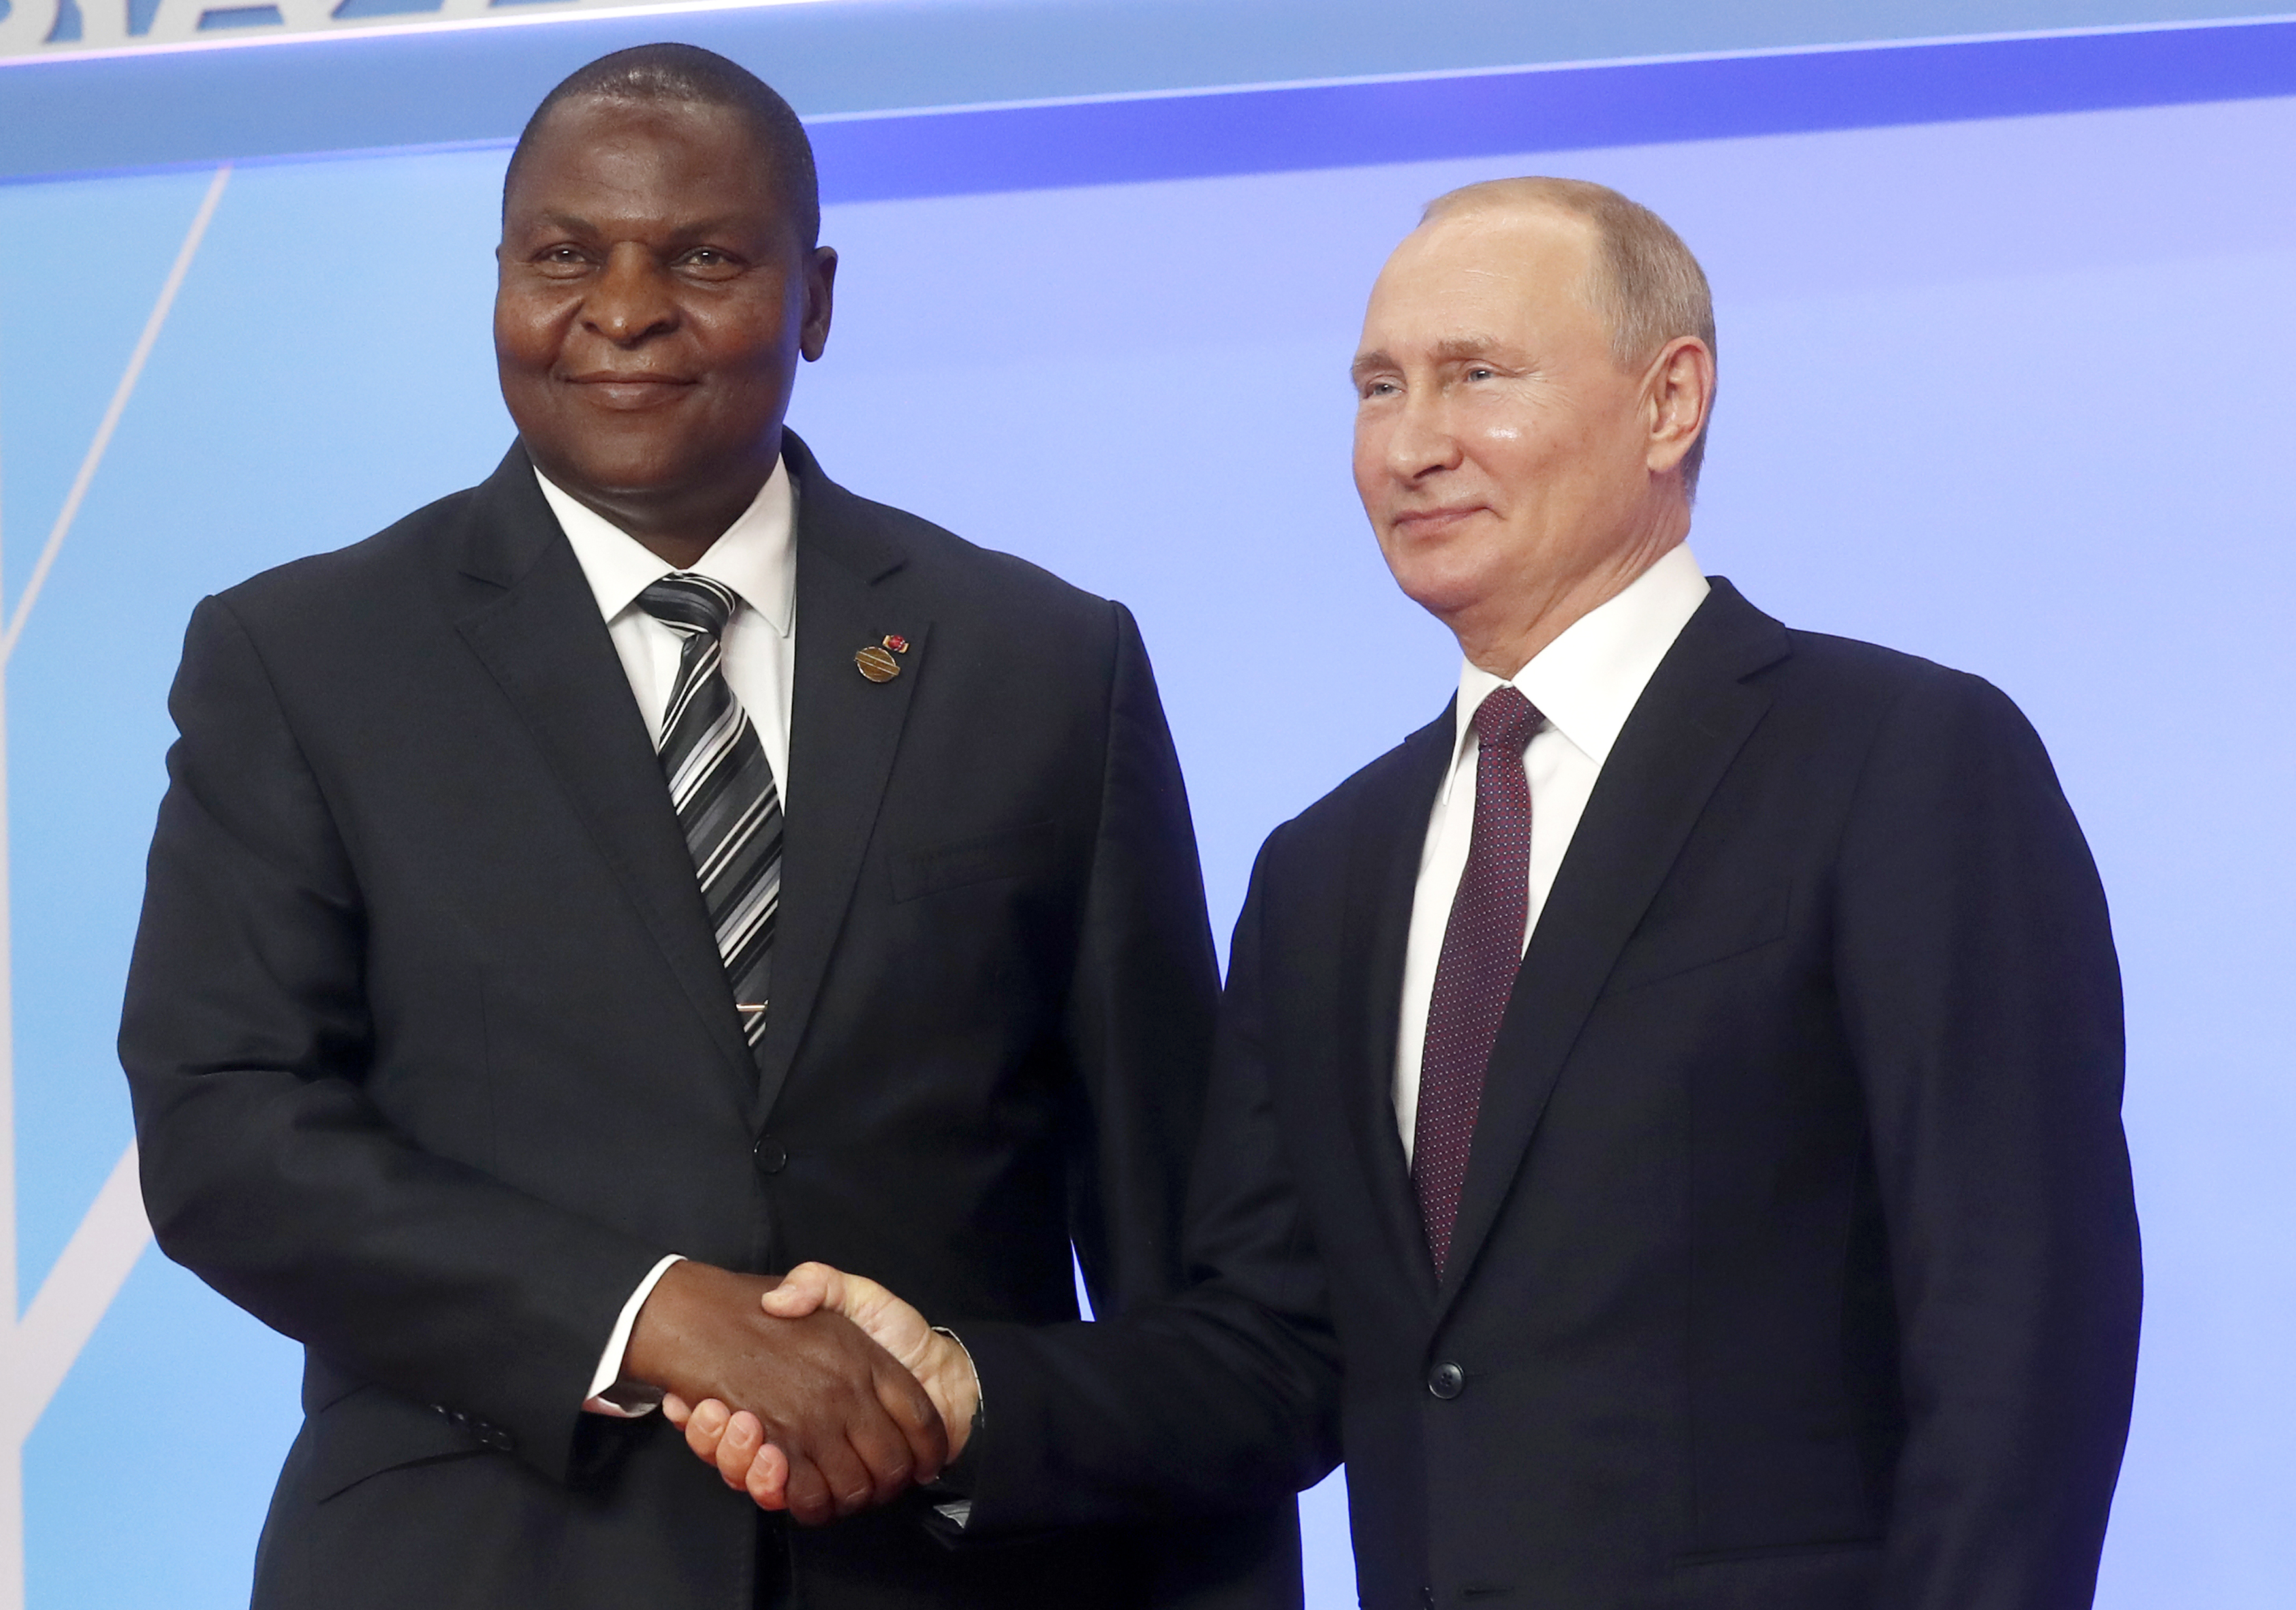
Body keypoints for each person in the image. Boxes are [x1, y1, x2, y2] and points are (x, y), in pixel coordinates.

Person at [684, 177, 2144, 1609]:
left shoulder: (1898, 760)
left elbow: (2020, 1323)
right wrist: (960, 1387)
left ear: (1670, 399)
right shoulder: (1328, 869)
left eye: (1477, 375)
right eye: (1377, 388)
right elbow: (1275, 1353)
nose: (1412, 444)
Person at [118, 42, 1301, 1610]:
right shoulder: (305, 656)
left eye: (701, 257)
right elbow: (227, 1133)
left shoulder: (1041, 663)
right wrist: (654, 1309)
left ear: (813, 298)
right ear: (498, 280)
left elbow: (1190, 1285)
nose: (621, 309)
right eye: (563, 255)